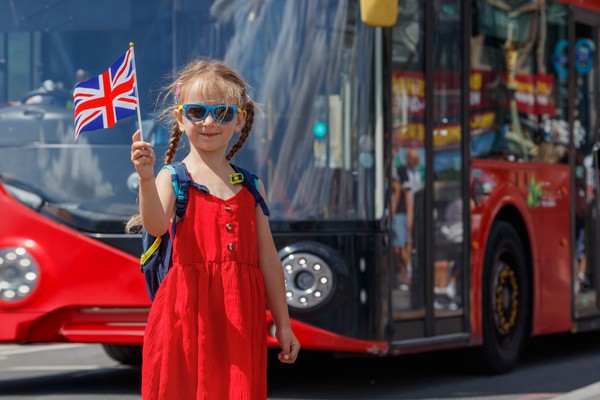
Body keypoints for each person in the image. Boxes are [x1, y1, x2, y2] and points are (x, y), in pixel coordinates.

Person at [129, 58, 300, 399]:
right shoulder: (171, 177)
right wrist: (146, 181)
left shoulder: (252, 186)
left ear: (239, 120)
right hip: (185, 317)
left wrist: (283, 323)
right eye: (196, 111)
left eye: (222, 113)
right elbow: (156, 225)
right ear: (180, 117)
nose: (209, 122)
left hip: (241, 316)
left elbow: (268, 260)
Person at [391, 148, 421, 290]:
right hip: (397, 214)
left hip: (403, 213)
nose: (416, 162)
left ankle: (407, 273)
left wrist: (410, 215)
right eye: (413, 159)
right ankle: (404, 273)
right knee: (398, 247)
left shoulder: (410, 173)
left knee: (405, 245)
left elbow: (406, 195)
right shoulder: (398, 170)